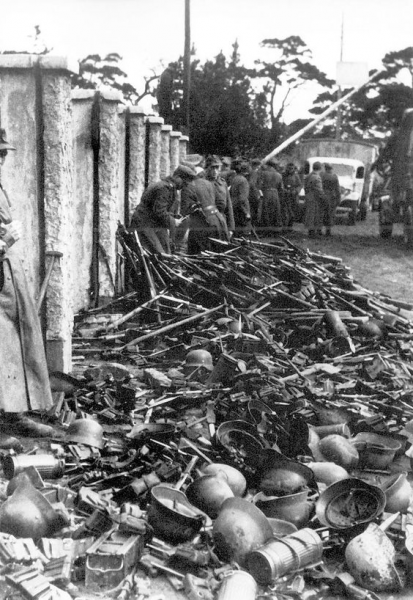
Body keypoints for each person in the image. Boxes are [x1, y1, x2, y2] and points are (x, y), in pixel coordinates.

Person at [0, 130, 54, 437]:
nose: (2, 159)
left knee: (16, 345)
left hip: (7, 274)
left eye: (4, 153)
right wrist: (4, 241)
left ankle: (14, 414)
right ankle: (9, 419)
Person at [130, 165, 196, 254]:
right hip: (144, 224)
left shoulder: (169, 187)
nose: (184, 186)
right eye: (184, 183)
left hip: (153, 223)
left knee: (166, 251)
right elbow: (159, 212)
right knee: (159, 254)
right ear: (177, 177)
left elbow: (160, 210)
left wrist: (174, 217)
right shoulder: (163, 188)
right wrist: (174, 221)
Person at [181, 167, 229, 254]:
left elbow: (185, 211)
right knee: (219, 252)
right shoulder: (209, 183)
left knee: (200, 254)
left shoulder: (188, 186)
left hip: (202, 224)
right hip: (218, 221)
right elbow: (220, 203)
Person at [204, 155, 235, 238]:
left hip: (222, 222)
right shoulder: (203, 183)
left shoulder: (223, 183)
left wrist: (231, 228)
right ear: (207, 168)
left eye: (217, 168)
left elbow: (229, 206)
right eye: (212, 168)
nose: (215, 171)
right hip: (208, 223)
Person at [257, 159, 284, 236]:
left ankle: (265, 231)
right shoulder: (279, 175)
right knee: (275, 211)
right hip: (275, 193)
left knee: (265, 211)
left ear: (268, 165)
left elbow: (259, 185)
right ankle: (275, 231)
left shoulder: (263, 173)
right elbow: (281, 188)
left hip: (266, 193)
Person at [230, 159, 251, 236]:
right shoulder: (243, 180)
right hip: (241, 208)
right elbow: (243, 198)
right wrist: (246, 212)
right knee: (243, 232)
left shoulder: (234, 178)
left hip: (234, 206)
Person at [304, 161, 324, 237]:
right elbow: (319, 190)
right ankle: (313, 232)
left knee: (310, 214)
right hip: (315, 198)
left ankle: (310, 231)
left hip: (308, 196)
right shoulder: (317, 177)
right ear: (320, 168)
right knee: (315, 215)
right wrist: (323, 197)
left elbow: (305, 187)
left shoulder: (308, 176)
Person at [320, 163, 341, 236]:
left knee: (321, 213)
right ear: (331, 169)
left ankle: (319, 230)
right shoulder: (334, 177)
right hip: (331, 197)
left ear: (325, 168)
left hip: (322, 196)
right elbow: (337, 189)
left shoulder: (321, 175)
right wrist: (338, 199)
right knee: (330, 214)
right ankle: (328, 231)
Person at [282, 162, 302, 231]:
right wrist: (284, 190)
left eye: (292, 168)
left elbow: (299, 185)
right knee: (285, 212)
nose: (290, 170)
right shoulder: (283, 175)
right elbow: (280, 184)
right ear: (286, 168)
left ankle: (290, 227)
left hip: (293, 196)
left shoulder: (296, 176)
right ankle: (284, 227)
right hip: (285, 196)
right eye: (289, 168)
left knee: (293, 212)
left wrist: (296, 191)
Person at [247, 158, 262, 229]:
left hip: (251, 194)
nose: (259, 167)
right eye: (258, 165)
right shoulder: (254, 173)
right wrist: (257, 191)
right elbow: (251, 184)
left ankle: (252, 227)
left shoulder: (250, 172)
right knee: (254, 211)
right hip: (253, 194)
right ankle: (252, 227)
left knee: (252, 210)